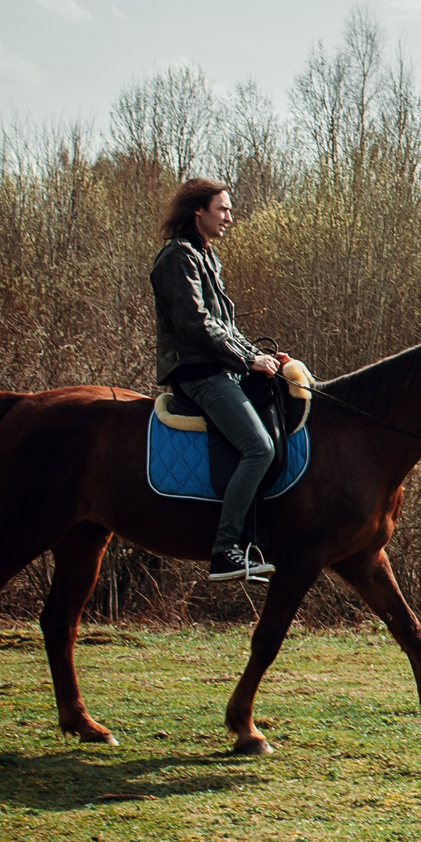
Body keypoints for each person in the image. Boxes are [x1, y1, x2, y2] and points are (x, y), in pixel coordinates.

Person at [151, 177, 286, 583]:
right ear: (199, 212)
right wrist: (248, 360)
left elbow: (225, 325)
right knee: (258, 449)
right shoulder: (177, 258)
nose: (230, 216)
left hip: (220, 367)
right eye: (222, 209)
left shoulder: (204, 256)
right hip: (199, 374)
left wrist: (261, 357)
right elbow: (197, 325)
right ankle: (226, 549)